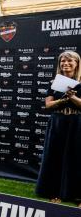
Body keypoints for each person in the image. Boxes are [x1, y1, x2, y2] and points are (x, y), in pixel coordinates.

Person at [35, 50, 81, 206]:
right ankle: (53, 192)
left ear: (77, 64)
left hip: (77, 123)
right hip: (58, 123)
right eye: (63, 61)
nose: (66, 64)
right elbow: (48, 105)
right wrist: (62, 100)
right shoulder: (54, 82)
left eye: (70, 61)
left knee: (77, 159)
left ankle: (77, 196)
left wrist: (72, 97)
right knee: (55, 157)